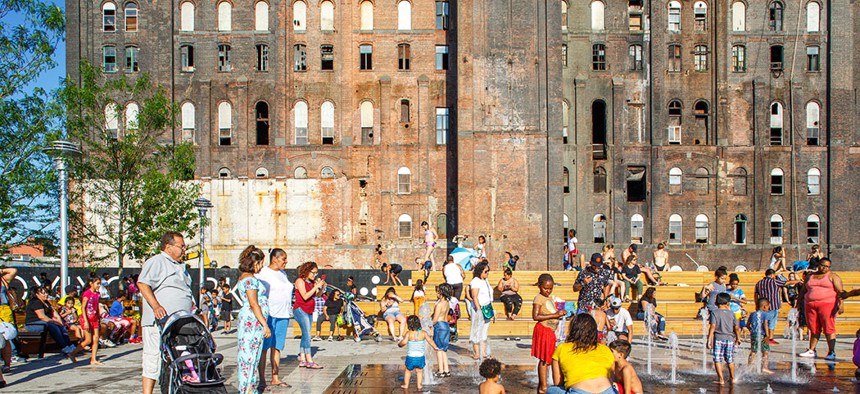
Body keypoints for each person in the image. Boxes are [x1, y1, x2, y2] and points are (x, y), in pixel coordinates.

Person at [138, 231, 195, 394]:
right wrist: (156, 305)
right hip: (159, 321)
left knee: (176, 357)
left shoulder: (180, 267)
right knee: (153, 358)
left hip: (178, 322)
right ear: (168, 247)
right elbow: (143, 283)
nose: (184, 249)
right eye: (181, 246)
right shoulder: (158, 261)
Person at [547, 314, 615, 394]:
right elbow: (612, 378)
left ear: (573, 329)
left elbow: (558, 382)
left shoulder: (562, 348)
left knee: (550, 390)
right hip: (608, 391)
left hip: (579, 391)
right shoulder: (605, 349)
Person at [255, 248, 293, 389]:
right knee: (264, 348)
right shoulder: (263, 273)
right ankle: (262, 380)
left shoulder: (283, 274)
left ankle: (275, 377)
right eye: (283, 259)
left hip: (283, 315)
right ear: (274, 259)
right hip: (269, 315)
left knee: (277, 348)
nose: (286, 262)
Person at [235, 246, 271, 393]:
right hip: (253, 322)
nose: (262, 266)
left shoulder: (244, 277)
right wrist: (265, 325)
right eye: (261, 263)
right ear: (254, 262)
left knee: (248, 355)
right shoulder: (250, 280)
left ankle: (248, 387)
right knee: (250, 356)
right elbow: (254, 303)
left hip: (250, 320)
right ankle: (248, 389)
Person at [799, 257, 843, 360]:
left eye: (827, 266)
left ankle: (831, 351)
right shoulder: (810, 276)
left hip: (827, 305)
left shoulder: (833, 276)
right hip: (810, 305)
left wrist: (841, 305)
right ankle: (811, 350)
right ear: (818, 264)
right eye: (822, 265)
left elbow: (840, 292)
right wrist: (798, 302)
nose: (824, 268)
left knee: (829, 328)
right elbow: (803, 290)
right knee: (813, 328)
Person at [24, 286, 81, 362]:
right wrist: (54, 322)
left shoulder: (46, 302)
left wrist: (60, 321)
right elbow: (42, 317)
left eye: (46, 293)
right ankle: (65, 348)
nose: (46, 295)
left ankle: (70, 345)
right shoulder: (35, 302)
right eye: (43, 293)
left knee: (61, 326)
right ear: (37, 294)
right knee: (53, 326)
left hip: (45, 323)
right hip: (33, 324)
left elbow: (55, 313)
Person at [532, 273, 566, 394]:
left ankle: (543, 385)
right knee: (544, 360)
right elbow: (535, 316)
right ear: (539, 286)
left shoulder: (549, 298)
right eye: (545, 288)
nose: (548, 291)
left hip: (549, 331)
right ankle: (543, 386)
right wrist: (556, 315)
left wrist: (560, 313)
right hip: (543, 330)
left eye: (550, 288)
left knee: (549, 359)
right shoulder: (538, 298)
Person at [754, 268, 800, 345]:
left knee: (764, 322)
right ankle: (770, 338)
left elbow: (756, 294)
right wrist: (798, 281)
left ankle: (764, 337)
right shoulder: (774, 281)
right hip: (773, 305)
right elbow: (786, 283)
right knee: (772, 322)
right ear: (772, 275)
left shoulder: (759, 283)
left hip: (762, 306)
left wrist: (757, 304)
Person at [294, 261, 326, 369]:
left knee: (305, 334)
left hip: (309, 310)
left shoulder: (311, 282)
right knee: (307, 334)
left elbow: (317, 295)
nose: (314, 275)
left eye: (316, 273)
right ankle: (309, 359)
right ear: (306, 271)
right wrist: (315, 287)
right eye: (313, 272)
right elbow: (305, 296)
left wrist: (321, 288)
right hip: (300, 309)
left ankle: (302, 358)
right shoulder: (300, 281)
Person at [707, 293, 741, 385]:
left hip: (718, 339)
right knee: (730, 359)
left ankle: (721, 379)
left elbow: (712, 327)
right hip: (730, 339)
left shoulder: (714, 312)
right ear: (727, 303)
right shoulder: (732, 313)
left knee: (717, 359)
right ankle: (732, 378)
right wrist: (738, 338)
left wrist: (709, 340)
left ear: (716, 302)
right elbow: (736, 328)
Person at [398, 315, 439, 391]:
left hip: (411, 357)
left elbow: (403, 342)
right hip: (420, 357)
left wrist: (400, 344)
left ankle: (406, 385)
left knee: (408, 371)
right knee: (419, 371)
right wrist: (435, 347)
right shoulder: (423, 333)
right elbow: (430, 340)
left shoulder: (409, 333)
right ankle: (419, 385)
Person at [470, 262, 495, 360]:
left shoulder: (485, 280)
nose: (487, 273)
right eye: (486, 271)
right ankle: (477, 352)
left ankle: (483, 352)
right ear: (480, 271)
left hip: (487, 307)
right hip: (478, 308)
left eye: (488, 271)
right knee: (476, 330)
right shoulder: (476, 281)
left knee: (484, 330)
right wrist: (479, 310)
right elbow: (475, 297)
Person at [81, 276, 106, 363]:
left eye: (100, 284)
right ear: (91, 284)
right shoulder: (87, 294)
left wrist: (99, 318)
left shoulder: (97, 294)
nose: (99, 286)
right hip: (87, 319)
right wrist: (86, 321)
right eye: (97, 283)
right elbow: (83, 308)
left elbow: (97, 307)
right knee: (88, 340)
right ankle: (73, 353)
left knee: (96, 339)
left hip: (95, 318)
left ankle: (93, 359)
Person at [747, 298, 773, 374]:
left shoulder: (753, 314)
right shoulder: (766, 314)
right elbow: (765, 324)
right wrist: (767, 335)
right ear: (765, 306)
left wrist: (752, 330)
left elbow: (748, 324)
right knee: (765, 351)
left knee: (753, 351)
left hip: (754, 334)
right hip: (762, 334)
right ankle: (764, 367)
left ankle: (750, 366)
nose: (768, 308)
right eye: (768, 306)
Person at [432, 284, 453, 378]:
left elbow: (435, 319)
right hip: (446, 325)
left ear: (441, 293)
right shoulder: (447, 303)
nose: (436, 293)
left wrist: (428, 326)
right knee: (444, 349)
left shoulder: (439, 304)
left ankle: (441, 371)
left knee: (438, 349)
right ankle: (446, 370)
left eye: (438, 291)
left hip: (439, 326)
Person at [0, 266, 17, 373]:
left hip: (3, 309)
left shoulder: (3, 279)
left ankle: (7, 363)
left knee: (6, 338)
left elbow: (13, 271)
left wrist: (1, 271)